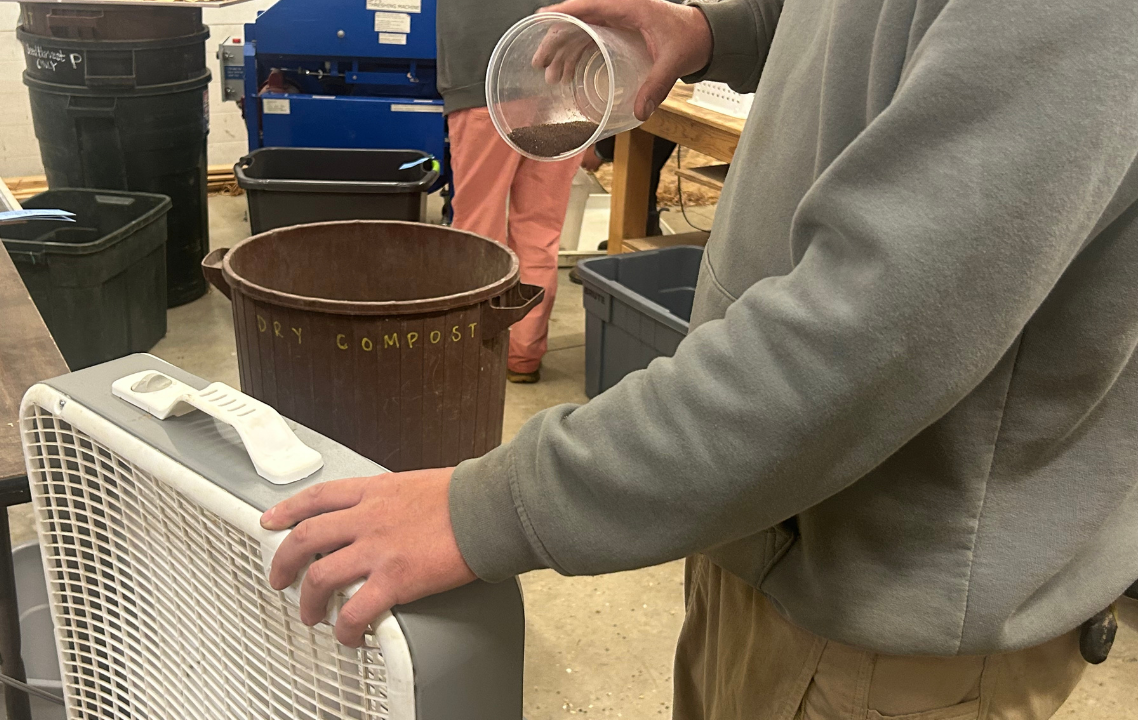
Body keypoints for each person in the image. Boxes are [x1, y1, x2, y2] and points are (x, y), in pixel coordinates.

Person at [261, 0, 1138, 717]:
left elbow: (869, 336)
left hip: (885, 609)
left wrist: (493, 506)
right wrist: (718, 30)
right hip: (760, 517)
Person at [437, 0, 584, 384]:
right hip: (568, 80)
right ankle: (523, 356)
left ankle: (476, 350)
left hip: (485, 75)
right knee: (540, 228)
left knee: (478, 226)